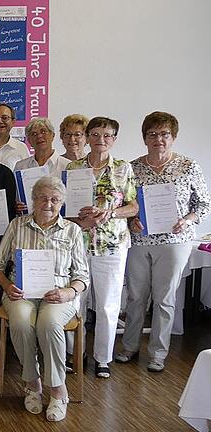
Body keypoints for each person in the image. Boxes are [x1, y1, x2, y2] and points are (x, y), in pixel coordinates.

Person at [116, 111, 210, 372]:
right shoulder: (132, 168)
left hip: (174, 240)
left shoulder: (188, 166)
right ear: (145, 138)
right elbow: (123, 204)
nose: (158, 139)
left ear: (174, 137)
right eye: (152, 134)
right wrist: (129, 221)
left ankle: (158, 353)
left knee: (165, 298)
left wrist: (187, 220)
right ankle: (129, 347)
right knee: (136, 297)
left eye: (164, 134)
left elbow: (202, 204)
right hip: (140, 240)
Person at [0, 176, 89, 422]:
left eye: (54, 199)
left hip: (59, 294)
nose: (48, 203)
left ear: (62, 203)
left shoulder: (73, 230)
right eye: (42, 198)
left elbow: (82, 276)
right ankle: (32, 382)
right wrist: (7, 285)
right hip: (20, 293)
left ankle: (58, 390)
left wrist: (68, 292)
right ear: (33, 200)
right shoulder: (17, 225)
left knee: (49, 323)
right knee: (22, 320)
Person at [66, 116, 138, 379]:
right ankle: (75, 355)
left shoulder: (123, 168)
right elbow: (63, 208)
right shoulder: (73, 168)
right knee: (76, 303)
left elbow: (133, 206)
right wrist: (79, 220)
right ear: (87, 137)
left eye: (107, 135)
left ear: (114, 139)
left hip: (112, 245)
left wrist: (109, 213)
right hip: (79, 243)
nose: (100, 140)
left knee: (108, 305)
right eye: (95, 134)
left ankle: (103, 359)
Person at [14, 117, 72, 214]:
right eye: (34, 134)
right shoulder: (21, 166)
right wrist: (16, 205)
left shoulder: (67, 166)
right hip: (28, 221)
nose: (39, 136)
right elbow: (16, 197)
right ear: (29, 141)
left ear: (52, 135)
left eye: (43, 131)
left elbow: (72, 199)